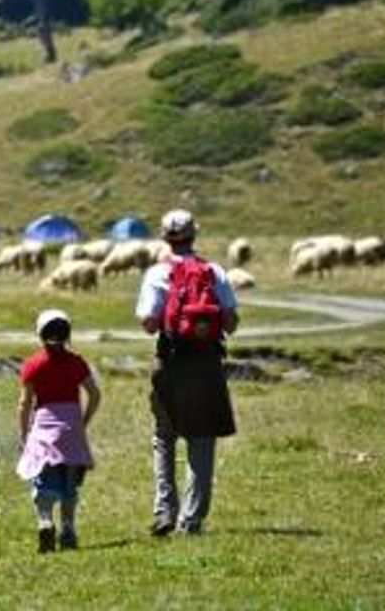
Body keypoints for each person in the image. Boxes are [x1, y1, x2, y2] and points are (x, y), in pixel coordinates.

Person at [135, 209, 239, 536]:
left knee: (164, 437)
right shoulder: (214, 271)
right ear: (195, 234)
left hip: (170, 362)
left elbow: (149, 324)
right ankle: (191, 521)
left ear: (165, 237)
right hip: (207, 363)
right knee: (201, 439)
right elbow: (232, 322)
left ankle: (165, 511)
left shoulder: (156, 274)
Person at [17, 309, 101, 553]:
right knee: (70, 484)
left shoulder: (33, 364)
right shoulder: (76, 362)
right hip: (71, 428)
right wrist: (82, 422)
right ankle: (68, 530)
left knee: (43, 483)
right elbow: (95, 394)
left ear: (40, 334)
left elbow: (24, 403)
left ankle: (45, 520)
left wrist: (24, 433)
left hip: (44, 428)